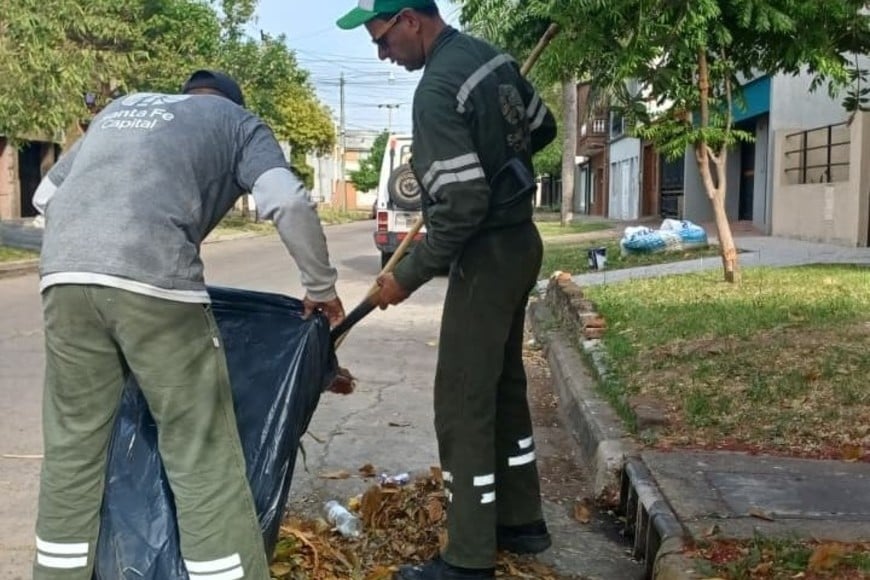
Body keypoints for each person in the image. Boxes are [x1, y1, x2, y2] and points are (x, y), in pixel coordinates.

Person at [31, 70, 345, 580]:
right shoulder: (238, 123)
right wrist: (321, 287)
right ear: (233, 102)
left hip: (63, 276)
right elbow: (286, 200)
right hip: (153, 280)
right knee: (199, 451)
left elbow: (45, 196)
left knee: (72, 448)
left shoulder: (121, 109)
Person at [337, 3, 558, 579]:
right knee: (503, 387)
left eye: (383, 40)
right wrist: (500, 158)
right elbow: (543, 127)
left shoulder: (436, 89)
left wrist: (405, 277)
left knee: (463, 401)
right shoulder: (491, 58)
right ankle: (521, 521)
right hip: (522, 244)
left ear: (411, 19)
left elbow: (461, 206)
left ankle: (467, 556)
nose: (382, 54)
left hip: (487, 258)